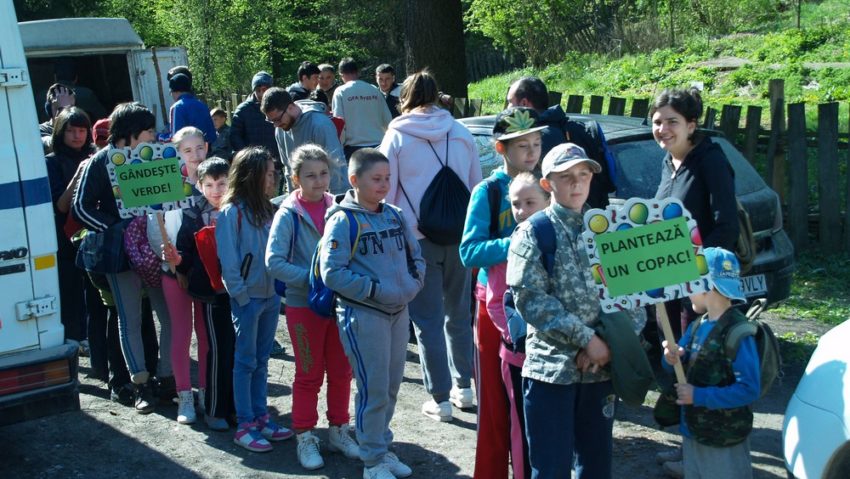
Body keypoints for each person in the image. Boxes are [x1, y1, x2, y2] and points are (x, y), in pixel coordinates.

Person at [506, 142, 643, 479]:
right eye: (566, 177)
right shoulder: (534, 232)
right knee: (550, 468)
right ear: (547, 184)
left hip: (600, 372)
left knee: (596, 467)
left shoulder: (608, 230)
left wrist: (607, 345)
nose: (577, 184)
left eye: (583, 175)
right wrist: (586, 339)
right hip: (551, 372)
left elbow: (635, 298)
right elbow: (530, 299)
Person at [379, 70, 482, 422]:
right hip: (460, 237)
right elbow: (476, 186)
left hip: (417, 238)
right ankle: (465, 387)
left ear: (405, 96)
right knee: (459, 313)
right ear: (437, 95)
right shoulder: (461, 131)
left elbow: (386, 191)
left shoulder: (396, 135)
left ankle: (440, 399)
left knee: (426, 319)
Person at [320, 149, 426, 479]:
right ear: (355, 181)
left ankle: (381, 446)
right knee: (373, 388)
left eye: (387, 179)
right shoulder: (342, 220)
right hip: (364, 315)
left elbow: (416, 256)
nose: (384, 185)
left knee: (391, 386)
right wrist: (377, 291)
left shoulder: (393, 214)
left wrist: (414, 284)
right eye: (376, 179)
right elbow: (332, 273)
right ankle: (372, 461)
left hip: (399, 311)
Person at [651, 87, 740, 475]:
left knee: (699, 367)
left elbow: (725, 225)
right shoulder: (669, 163)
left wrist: (701, 278)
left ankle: (699, 453)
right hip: (669, 283)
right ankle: (689, 445)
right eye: (657, 121)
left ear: (692, 124)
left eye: (672, 121)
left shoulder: (710, 160)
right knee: (678, 363)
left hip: (698, 289)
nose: (663, 128)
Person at [459, 106, 545, 479]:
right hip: (492, 307)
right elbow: (469, 251)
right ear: (500, 148)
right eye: (522, 145)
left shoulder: (545, 185)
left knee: (531, 402)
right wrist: (519, 241)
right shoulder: (489, 191)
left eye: (536, 143)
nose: (531, 152)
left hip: (538, 304)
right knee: (494, 403)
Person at [265, 144, 359, 470]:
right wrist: (314, 279)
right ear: (295, 179)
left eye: (323, 174)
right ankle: (304, 435)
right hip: (303, 305)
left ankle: (338, 430)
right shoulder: (288, 214)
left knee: (342, 371)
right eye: (310, 176)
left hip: (339, 305)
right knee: (308, 373)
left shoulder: (341, 207)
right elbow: (273, 261)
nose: (319, 181)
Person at [72, 102, 162, 413]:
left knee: (163, 317)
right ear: (130, 132)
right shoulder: (101, 161)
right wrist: (116, 229)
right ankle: (139, 384)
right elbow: (81, 208)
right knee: (129, 319)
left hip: (156, 250)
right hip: (118, 256)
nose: (154, 135)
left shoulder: (157, 156)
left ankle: (165, 378)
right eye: (149, 130)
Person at [216, 147, 293, 452]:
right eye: (270, 172)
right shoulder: (231, 212)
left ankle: (261, 416)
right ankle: (245, 423)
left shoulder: (270, 210)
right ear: (252, 175)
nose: (274, 177)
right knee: (245, 362)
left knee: (262, 360)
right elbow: (229, 263)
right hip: (248, 300)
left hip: (270, 296)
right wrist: (243, 297)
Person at [662, 247, 759, 479]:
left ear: (706, 286)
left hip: (723, 439)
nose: (687, 292)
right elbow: (674, 366)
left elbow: (749, 389)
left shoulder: (738, 332)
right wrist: (672, 357)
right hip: (694, 431)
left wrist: (699, 396)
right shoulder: (698, 325)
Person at [483, 171, 550, 479]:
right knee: (522, 429)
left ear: (547, 199)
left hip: (554, 355)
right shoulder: (512, 246)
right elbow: (496, 302)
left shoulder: (557, 240)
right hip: (518, 356)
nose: (522, 210)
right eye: (516, 204)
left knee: (549, 431)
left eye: (529, 202)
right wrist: (516, 338)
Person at [167, 157, 236, 431]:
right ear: (199, 185)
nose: (216, 190)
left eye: (221, 183)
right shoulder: (194, 212)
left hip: (240, 290)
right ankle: (215, 407)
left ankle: (236, 406)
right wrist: (176, 259)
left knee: (240, 349)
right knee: (217, 348)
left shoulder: (238, 209)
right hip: (210, 291)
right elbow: (185, 252)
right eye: (209, 185)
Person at [154, 127, 210, 425]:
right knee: (180, 333)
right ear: (177, 154)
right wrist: (172, 261)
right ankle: (184, 395)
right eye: (187, 151)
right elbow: (157, 227)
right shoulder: (168, 184)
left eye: (199, 148)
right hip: (174, 271)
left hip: (206, 273)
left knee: (206, 334)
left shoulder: (215, 178)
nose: (195, 155)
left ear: (207, 147)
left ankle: (204, 391)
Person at [506, 76, 616, 208]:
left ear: (524, 103)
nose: (507, 108)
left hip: (566, 220)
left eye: (510, 102)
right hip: (597, 217)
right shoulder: (574, 128)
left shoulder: (538, 138)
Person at [45, 107, 96, 346]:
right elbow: (61, 206)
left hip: (94, 235)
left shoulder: (96, 156)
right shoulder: (52, 163)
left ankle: (93, 339)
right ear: (60, 133)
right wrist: (79, 175)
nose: (77, 136)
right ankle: (75, 338)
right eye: (71, 131)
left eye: (82, 130)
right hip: (65, 239)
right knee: (71, 289)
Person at [260, 87, 347, 194]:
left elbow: (337, 167)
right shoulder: (280, 129)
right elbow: (289, 169)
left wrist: (335, 203)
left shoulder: (320, 125)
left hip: (329, 196)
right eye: (271, 121)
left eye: (278, 119)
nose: (276, 125)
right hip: (303, 200)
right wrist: (293, 201)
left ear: (291, 107)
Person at [331, 58, 392, 160]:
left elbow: (340, 124)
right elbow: (388, 121)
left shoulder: (340, 92)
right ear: (357, 72)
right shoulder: (374, 90)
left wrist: (339, 147)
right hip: (379, 146)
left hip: (353, 150)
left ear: (341, 74)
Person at [230, 71, 280, 173]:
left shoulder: (279, 107)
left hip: (275, 163)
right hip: (252, 165)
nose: (262, 93)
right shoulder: (243, 110)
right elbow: (235, 136)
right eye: (258, 90)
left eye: (265, 89)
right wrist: (247, 156)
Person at [168, 73, 217, 146]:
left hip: (188, 152)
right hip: (206, 150)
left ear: (175, 91)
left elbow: (175, 138)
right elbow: (212, 136)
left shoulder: (177, 107)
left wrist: (158, 136)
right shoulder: (202, 105)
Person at [40, 82, 76, 153]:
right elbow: (53, 142)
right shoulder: (40, 130)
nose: (67, 112)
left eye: (70, 107)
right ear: (49, 109)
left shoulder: (81, 128)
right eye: (59, 108)